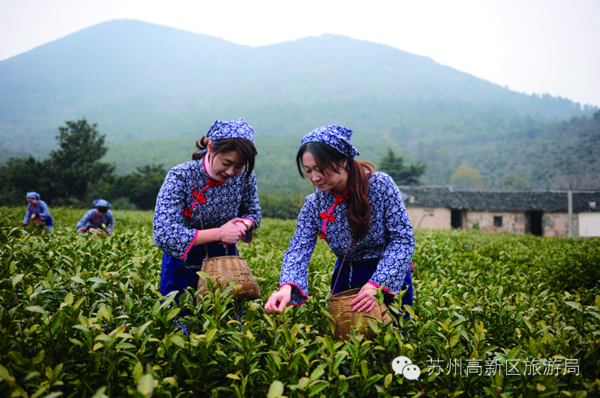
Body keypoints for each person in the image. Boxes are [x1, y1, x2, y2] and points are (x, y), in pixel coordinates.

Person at [265, 125, 415, 323]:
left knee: (392, 340)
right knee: (349, 343)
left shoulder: (380, 186)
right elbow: (298, 249)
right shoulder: (314, 204)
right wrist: (286, 287)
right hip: (347, 276)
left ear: (343, 162)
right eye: (308, 170)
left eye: (321, 170)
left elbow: (403, 239)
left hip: (388, 275)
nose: (314, 178)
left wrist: (376, 284)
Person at [153, 118, 261, 317]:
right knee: (182, 323)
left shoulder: (244, 175)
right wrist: (220, 233)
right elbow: (164, 233)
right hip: (184, 263)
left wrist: (242, 224)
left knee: (224, 323)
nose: (231, 172)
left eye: (239, 166)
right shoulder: (180, 176)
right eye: (226, 163)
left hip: (225, 266)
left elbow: (253, 213)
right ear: (210, 146)